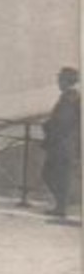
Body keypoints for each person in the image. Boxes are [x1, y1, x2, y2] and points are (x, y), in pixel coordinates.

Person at [42, 67, 80, 220]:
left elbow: (62, 121)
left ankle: (61, 206)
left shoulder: (69, 98)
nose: (58, 82)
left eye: (60, 79)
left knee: (53, 174)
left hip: (62, 144)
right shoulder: (72, 96)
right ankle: (62, 204)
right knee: (57, 174)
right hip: (66, 144)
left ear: (66, 81)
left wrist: (47, 125)